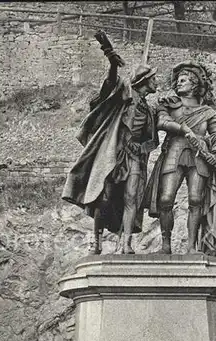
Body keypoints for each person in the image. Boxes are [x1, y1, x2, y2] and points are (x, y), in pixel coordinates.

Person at [62, 31, 158, 254]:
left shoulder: (151, 110)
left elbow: (152, 141)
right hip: (113, 152)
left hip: (135, 158)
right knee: (103, 197)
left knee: (131, 198)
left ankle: (125, 244)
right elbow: (110, 83)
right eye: (153, 78)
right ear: (144, 81)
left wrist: (141, 147)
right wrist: (111, 58)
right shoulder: (124, 93)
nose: (157, 82)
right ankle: (96, 240)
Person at [143, 61, 216, 257]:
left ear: (194, 84)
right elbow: (162, 122)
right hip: (174, 153)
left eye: (184, 80)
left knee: (196, 200)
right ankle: (166, 245)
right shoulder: (168, 103)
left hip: (199, 157)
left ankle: (192, 247)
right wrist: (184, 129)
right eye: (178, 80)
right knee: (166, 199)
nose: (179, 83)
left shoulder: (208, 112)